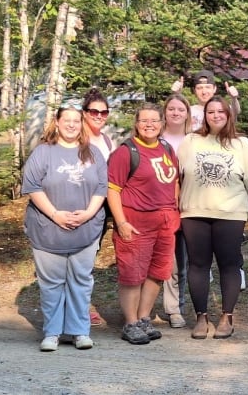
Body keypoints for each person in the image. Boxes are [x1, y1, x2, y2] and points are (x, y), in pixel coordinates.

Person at [21, 102, 107, 351]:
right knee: (52, 283)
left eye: (76, 120)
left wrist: (89, 213)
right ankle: (52, 332)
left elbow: (102, 187)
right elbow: (33, 187)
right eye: (66, 119)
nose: (71, 124)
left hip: (86, 229)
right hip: (48, 229)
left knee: (81, 281)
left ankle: (80, 331)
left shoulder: (93, 153)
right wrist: (56, 214)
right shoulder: (43, 152)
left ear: (82, 124)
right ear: (57, 123)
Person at [179, 96, 248, 340]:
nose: (216, 116)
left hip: (230, 213)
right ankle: (201, 316)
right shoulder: (190, 141)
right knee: (198, 264)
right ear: (205, 115)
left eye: (220, 111)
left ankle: (227, 315)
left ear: (229, 114)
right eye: (211, 112)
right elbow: (179, 176)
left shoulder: (243, 145)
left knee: (229, 264)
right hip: (195, 212)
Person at [107, 103, 180, 345]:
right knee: (132, 275)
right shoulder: (126, 152)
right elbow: (113, 190)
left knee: (157, 273)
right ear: (136, 124)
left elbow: (174, 181)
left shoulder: (167, 148)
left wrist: (174, 211)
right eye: (144, 121)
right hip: (136, 223)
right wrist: (121, 222)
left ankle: (143, 318)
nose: (149, 125)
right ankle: (130, 323)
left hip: (165, 224)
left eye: (154, 121)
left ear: (162, 124)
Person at [81, 88, 114, 327]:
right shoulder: (75, 136)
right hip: (77, 205)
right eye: (94, 111)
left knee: (89, 256)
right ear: (84, 113)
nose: (99, 116)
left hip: (99, 208)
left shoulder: (106, 139)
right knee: (74, 258)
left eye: (104, 112)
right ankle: (75, 308)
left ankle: (82, 305)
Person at [160, 94, 192, 328]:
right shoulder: (154, 139)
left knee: (182, 262)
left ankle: (177, 307)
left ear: (187, 114)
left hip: (189, 208)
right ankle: (163, 308)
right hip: (161, 208)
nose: (175, 113)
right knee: (164, 262)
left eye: (180, 109)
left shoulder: (194, 140)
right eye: (171, 108)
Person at [172, 70, 240, 131]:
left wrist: (234, 99)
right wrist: (176, 94)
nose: (204, 92)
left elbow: (235, 112)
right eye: (199, 88)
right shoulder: (189, 111)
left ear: (214, 89)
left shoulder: (223, 109)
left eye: (208, 87)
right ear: (194, 91)